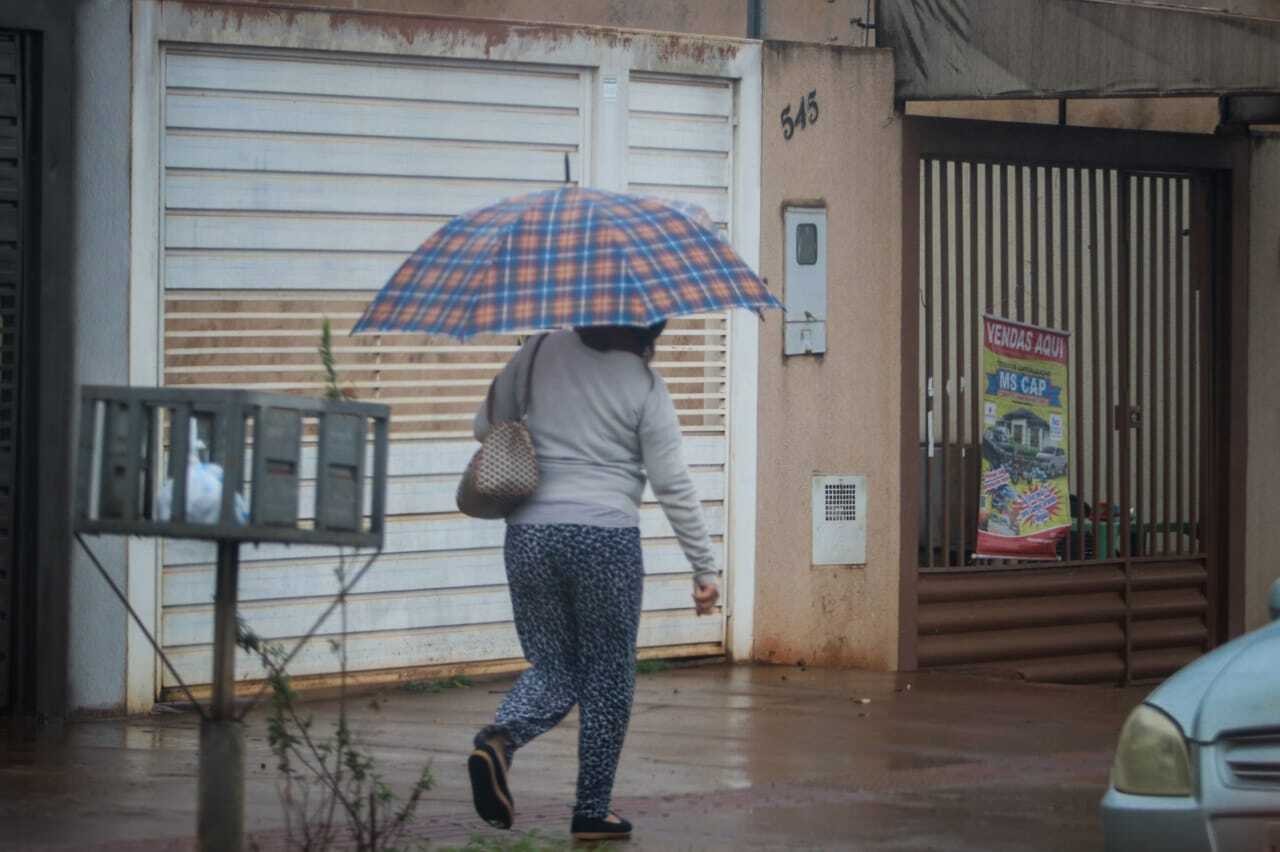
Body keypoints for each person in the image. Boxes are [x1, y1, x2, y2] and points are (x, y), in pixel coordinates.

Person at [466, 322, 721, 842]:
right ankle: (591, 810)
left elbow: (483, 425)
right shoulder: (645, 385)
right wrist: (704, 568)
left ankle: (499, 739)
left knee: (553, 666)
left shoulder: (538, 350)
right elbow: (672, 483)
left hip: (531, 533)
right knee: (607, 677)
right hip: (606, 538)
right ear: (648, 326)